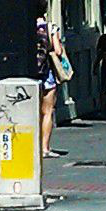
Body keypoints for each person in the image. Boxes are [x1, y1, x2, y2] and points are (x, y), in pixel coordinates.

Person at [36, 16, 69, 158]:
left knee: (33, 111)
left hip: (29, 74)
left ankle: (32, 145)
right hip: (46, 73)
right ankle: (45, 148)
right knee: (47, 111)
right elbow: (58, 51)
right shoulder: (50, 27)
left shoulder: (22, 25)